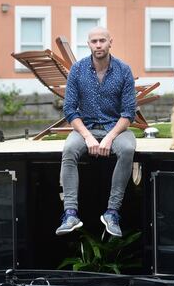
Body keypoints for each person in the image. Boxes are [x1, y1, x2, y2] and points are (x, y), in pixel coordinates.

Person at [55, 27, 137, 237]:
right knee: (69, 149)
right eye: (94, 41)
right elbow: (70, 110)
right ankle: (71, 213)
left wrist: (109, 137)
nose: (98, 45)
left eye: (102, 41)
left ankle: (112, 212)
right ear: (88, 44)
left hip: (115, 128)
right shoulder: (77, 69)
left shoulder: (123, 70)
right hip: (87, 128)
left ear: (111, 42)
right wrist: (88, 136)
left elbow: (128, 113)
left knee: (127, 148)